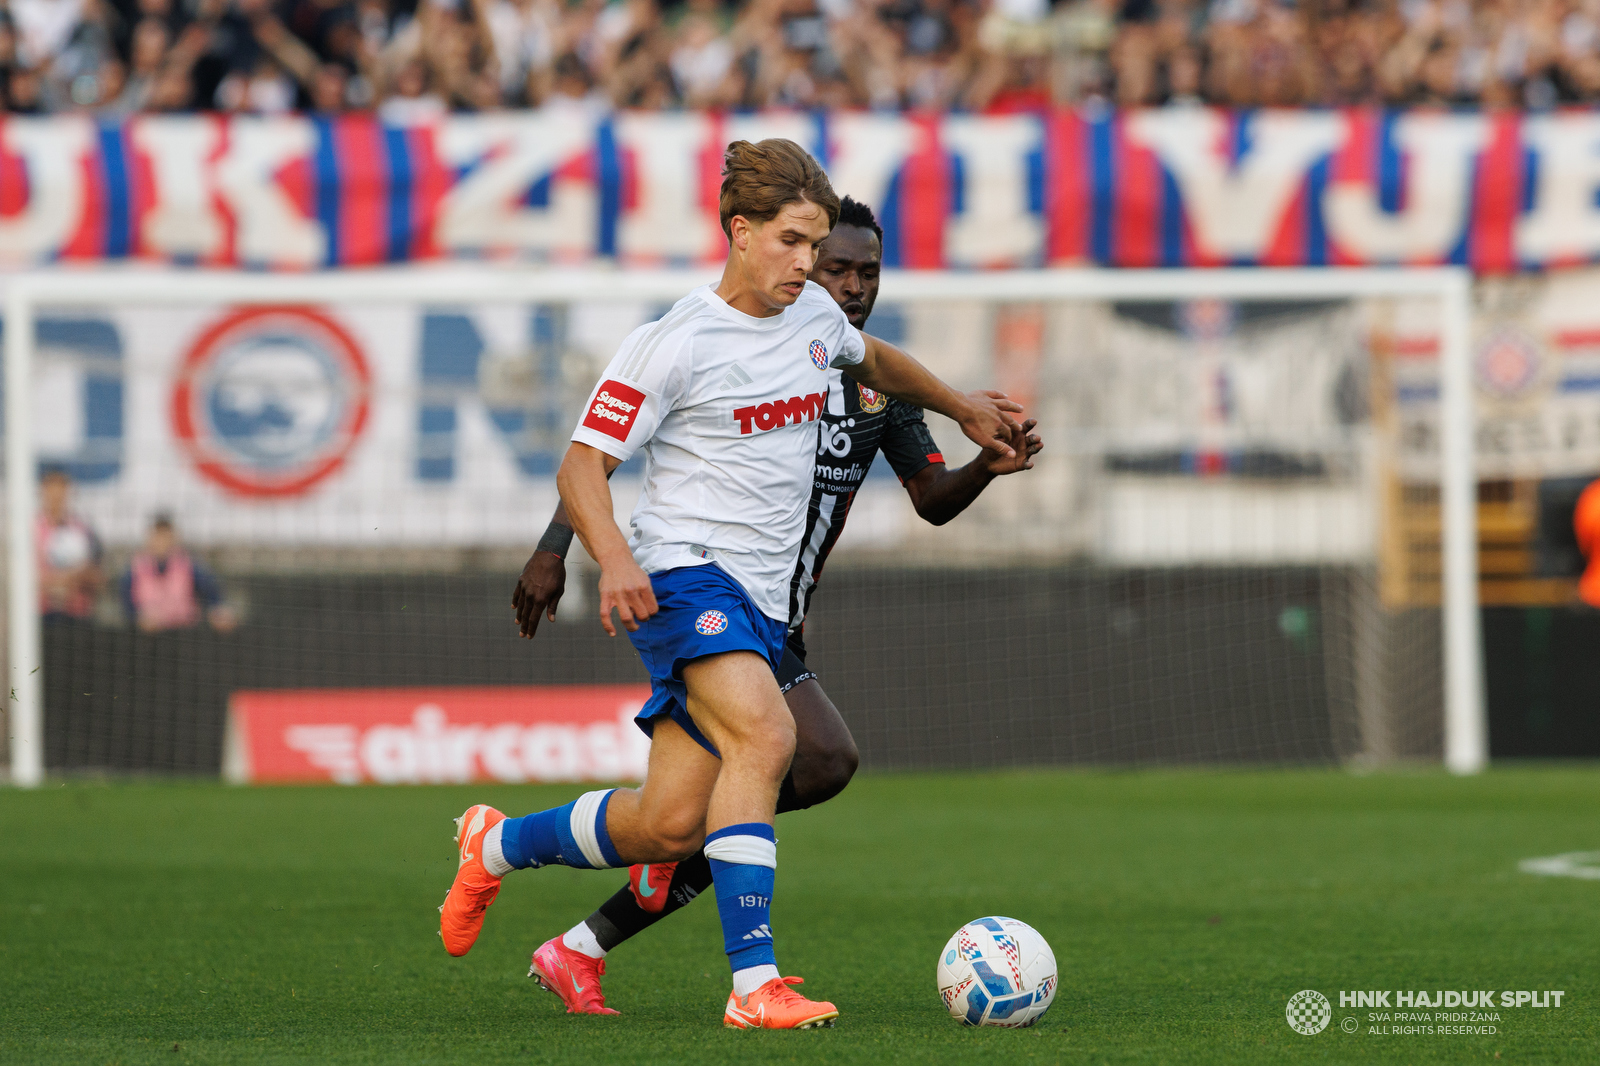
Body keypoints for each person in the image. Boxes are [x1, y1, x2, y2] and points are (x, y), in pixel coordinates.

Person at [438, 138, 1024, 1030]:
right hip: (683, 574)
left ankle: (497, 844)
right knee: (768, 736)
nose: (808, 266)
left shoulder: (815, 325)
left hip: (762, 602)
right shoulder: (673, 341)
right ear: (741, 232)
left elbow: (875, 362)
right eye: (793, 243)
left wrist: (963, 408)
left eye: (816, 245)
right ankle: (755, 986)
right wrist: (616, 558)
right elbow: (581, 466)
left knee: (669, 826)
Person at [120, 513, 237, 633]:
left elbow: (211, 592)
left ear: (174, 537)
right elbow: (127, 603)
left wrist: (218, 609)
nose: (162, 541)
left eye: (166, 536)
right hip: (149, 635)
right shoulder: (136, 568)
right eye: (158, 536)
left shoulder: (188, 565)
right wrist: (137, 617)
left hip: (184, 633)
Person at [37, 467, 103, 623]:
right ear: (42, 491)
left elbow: (98, 578)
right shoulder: (30, 531)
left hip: (77, 616)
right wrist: (58, 582)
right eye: (51, 488)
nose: (56, 494)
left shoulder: (84, 530)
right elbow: (23, 578)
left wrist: (79, 577)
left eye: (61, 488)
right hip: (41, 617)